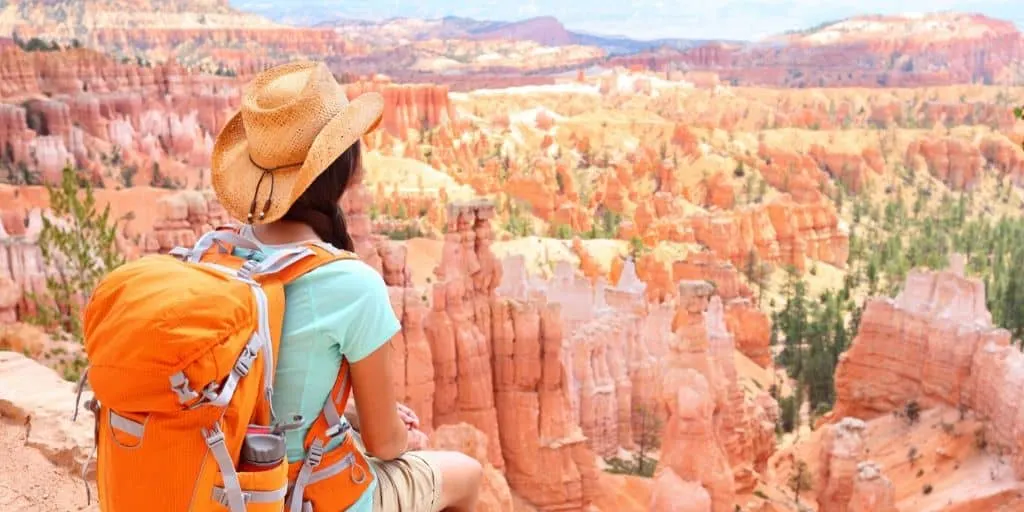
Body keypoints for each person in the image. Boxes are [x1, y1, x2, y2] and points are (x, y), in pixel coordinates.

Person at [209, 60, 482, 512]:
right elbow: (384, 442)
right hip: (299, 493)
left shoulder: (219, 252)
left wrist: (350, 416)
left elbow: (259, 391)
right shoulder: (349, 282)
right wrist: (403, 435)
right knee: (466, 475)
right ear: (344, 168)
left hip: (215, 478)